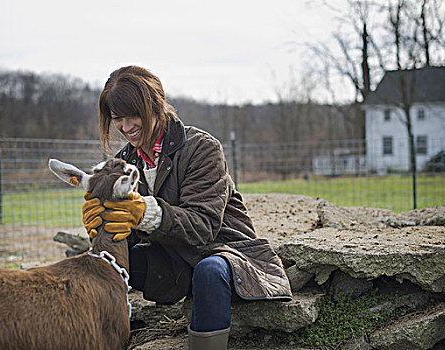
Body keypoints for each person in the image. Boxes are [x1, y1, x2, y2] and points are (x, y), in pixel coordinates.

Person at [82, 66, 292, 350]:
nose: (126, 126)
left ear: (155, 104)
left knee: (209, 271)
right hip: (173, 260)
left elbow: (203, 227)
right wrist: (102, 224)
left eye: (133, 115)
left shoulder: (202, 148)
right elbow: (126, 239)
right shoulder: (124, 161)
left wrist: (145, 213)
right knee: (101, 266)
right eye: (118, 118)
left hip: (221, 251)